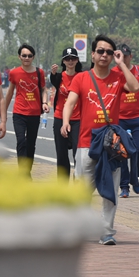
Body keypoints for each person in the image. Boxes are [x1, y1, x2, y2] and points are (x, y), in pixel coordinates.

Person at [60, 34, 139, 246]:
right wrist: (65, 122)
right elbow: (70, 103)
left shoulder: (118, 77)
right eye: (101, 51)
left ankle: (106, 233)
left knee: (110, 191)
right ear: (93, 54)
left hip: (111, 145)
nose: (105, 55)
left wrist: (121, 64)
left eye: (109, 52)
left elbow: (135, 88)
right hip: (86, 143)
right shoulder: (81, 78)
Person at [4, 44, 48, 177]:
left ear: (33, 57)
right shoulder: (14, 73)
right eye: (24, 55)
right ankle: (23, 173)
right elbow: (10, 93)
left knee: (30, 144)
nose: (27, 58)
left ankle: (27, 170)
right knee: (21, 141)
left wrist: (45, 103)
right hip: (19, 113)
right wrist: (3, 112)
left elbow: (43, 90)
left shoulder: (39, 72)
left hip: (34, 114)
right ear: (19, 57)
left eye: (29, 56)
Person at [114, 44, 139, 198]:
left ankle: (134, 178)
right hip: (120, 119)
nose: (124, 58)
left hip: (137, 118)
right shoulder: (113, 73)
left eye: (126, 55)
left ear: (131, 56)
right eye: (121, 56)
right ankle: (124, 187)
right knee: (123, 152)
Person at [49, 47, 82, 182]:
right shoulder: (59, 77)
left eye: (73, 58)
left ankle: (78, 182)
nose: (70, 61)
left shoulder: (82, 77)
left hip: (78, 119)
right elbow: (53, 81)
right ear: (63, 61)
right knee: (61, 154)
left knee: (78, 154)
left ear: (77, 60)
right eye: (67, 59)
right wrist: (53, 73)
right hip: (60, 118)